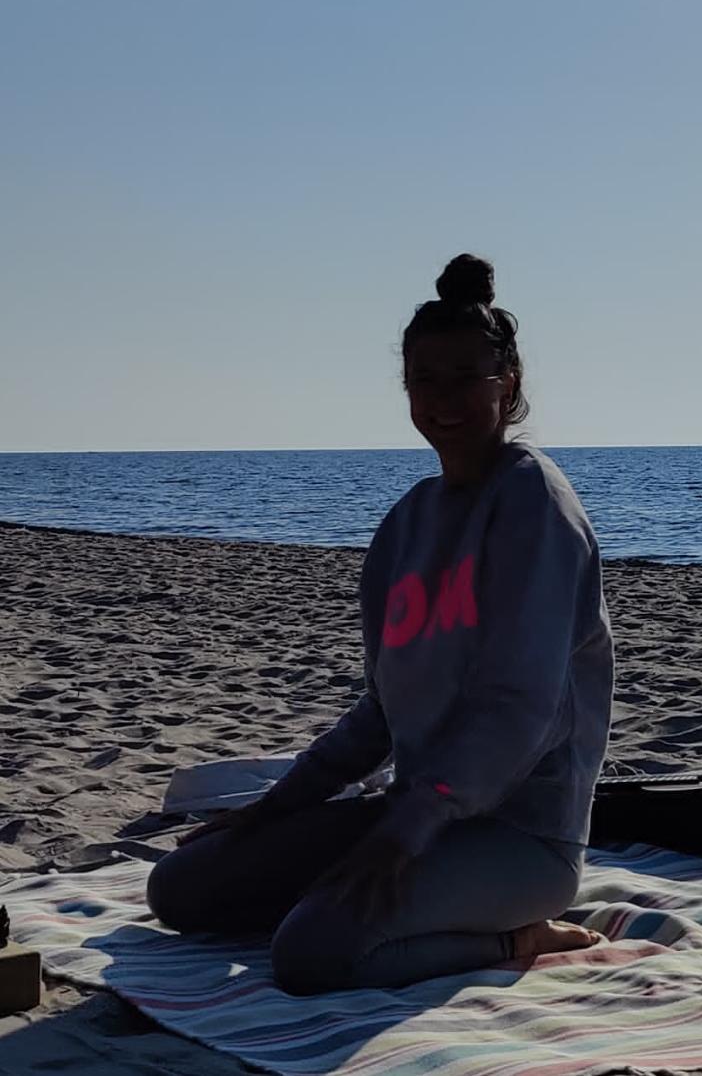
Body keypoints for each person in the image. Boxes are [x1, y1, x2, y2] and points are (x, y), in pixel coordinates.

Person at [148, 254, 614, 995]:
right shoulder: (409, 523)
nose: (444, 398)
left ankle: (517, 936)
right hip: (411, 815)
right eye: (425, 379)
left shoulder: (536, 503)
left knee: (311, 955)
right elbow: (380, 712)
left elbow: (517, 708)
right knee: (181, 888)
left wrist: (406, 832)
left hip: (520, 837)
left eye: (466, 377)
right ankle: (384, 905)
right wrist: (274, 810)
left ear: (507, 383)